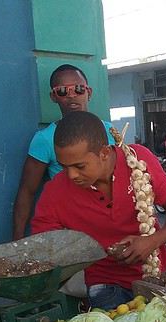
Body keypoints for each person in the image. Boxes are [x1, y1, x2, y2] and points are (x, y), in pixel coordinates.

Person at [31, 111, 166, 310]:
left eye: (79, 166)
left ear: (104, 153)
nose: (72, 175)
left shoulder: (138, 158)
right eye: (65, 167)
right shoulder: (55, 192)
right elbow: (45, 247)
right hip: (104, 286)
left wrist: (152, 241)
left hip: (156, 277)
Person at [12, 64, 116, 240]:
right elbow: (27, 191)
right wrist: (17, 239)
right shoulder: (44, 139)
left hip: (112, 222)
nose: (71, 96)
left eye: (78, 89)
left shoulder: (110, 131)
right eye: (62, 91)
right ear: (54, 96)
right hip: (72, 229)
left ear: (88, 92)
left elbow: (126, 174)